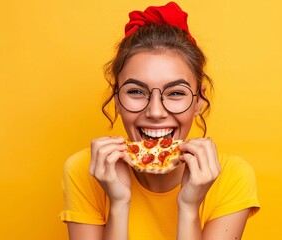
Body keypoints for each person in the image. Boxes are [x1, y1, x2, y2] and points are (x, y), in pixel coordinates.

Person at [59, 2, 260, 240]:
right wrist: (119, 203)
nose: (155, 112)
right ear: (116, 100)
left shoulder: (232, 176)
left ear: (199, 102)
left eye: (175, 93)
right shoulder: (85, 170)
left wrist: (188, 207)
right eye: (136, 92)